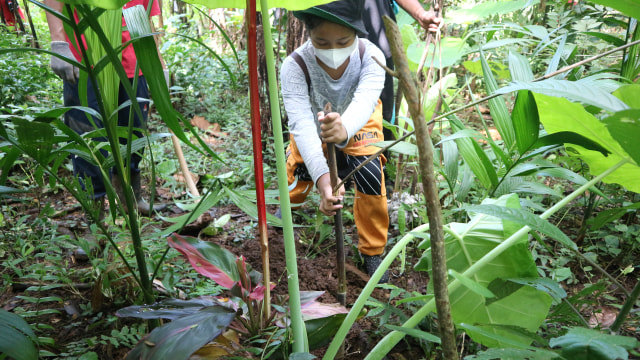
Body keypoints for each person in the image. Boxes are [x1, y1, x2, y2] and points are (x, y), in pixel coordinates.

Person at [281, 0, 390, 282]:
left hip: (359, 119)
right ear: (308, 34)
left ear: (356, 34)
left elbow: (365, 101)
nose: (333, 51)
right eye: (321, 41)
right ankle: (282, 228)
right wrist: (323, 180)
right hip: (314, 122)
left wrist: (344, 129)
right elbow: (302, 124)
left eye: (343, 41)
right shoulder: (294, 66)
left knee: (369, 174)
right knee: (298, 176)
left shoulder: (372, 56)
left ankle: (373, 252)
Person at [44, 0, 165, 218]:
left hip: (133, 65)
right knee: (89, 142)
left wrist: (158, 63)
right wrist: (58, 43)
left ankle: (132, 199)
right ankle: (95, 219)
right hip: (86, 64)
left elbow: (146, 18)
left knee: (134, 134)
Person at [363, 0, 441, 172]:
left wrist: (420, 14)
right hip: (333, 25)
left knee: (380, 105)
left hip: (376, 28)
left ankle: (379, 168)